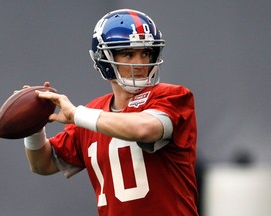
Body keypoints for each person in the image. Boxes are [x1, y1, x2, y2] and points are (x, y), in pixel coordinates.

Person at [23, 9, 199, 215]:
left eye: (146, 53)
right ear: (103, 59)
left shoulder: (172, 96)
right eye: (128, 54)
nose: (141, 63)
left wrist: (78, 116)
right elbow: (43, 164)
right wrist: (33, 126)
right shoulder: (92, 113)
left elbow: (144, 129)